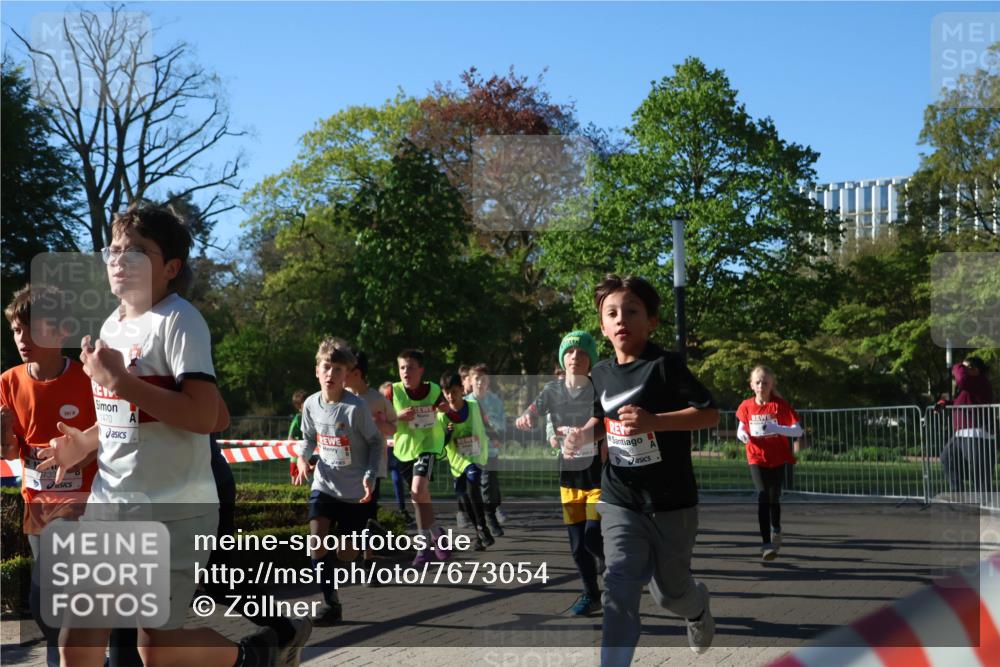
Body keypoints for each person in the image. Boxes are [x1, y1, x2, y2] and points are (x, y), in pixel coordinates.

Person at [38, 205, 277, 666]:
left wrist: (122, 382)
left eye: (138, 252)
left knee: (158, 648)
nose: (121, 259)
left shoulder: (179, 320)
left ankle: (254, 657)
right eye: (115, 249)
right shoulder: (111, 326)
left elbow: (208, 416)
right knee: (77, 641)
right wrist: (85, 443)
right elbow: (125, 417)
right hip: (112, 506)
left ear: (170, 268)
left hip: (175, 514)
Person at [563, 274, 719, 663]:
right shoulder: (598, 373)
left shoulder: (665, 365)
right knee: (618, 585)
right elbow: (602, 420)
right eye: (611, 313)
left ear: (652, 320)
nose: (621, 320)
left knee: (670, 593)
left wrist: (656, 422)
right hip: (620, 498)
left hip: (672, 503)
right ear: (602, 325)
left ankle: (697, 607)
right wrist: (583, 436)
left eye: (631, 312)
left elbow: (710, 414)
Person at [1, 284, 99, 667]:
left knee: (49, 601)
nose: (21, 339)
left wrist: (80, 453)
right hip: (36, 507)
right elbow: (10, 452)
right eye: (15, 330)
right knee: (48, 608)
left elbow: (114, 440)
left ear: (61, 332)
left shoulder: (89, 381)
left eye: (31, 328)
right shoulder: (8, 382)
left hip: (82, 507)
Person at [294, 338, 383, 625]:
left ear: (347, 376)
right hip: (324, 483)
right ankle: (331, 603)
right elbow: (308, 438)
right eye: (327, 367)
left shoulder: (354, 408)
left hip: (354, 490)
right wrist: (301, 459)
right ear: (317, 370)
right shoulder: (310, 404)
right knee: (316, 540)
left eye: (338, 370)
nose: (331, 374)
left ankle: (369, 533)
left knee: (345, 555)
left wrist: (370, 475)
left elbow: (375, 443)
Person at [515, 330, 605, 616]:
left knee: (593, 537)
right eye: (569, 352)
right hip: (569, 480)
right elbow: (535, 409)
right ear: (562, 357)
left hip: (597, 479)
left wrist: (582, 434)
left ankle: (619, 567)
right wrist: (527, 416)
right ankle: (591, 595)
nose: (575, 357)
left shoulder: (596, 387)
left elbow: (599, 417)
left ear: (590, 359)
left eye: (581, 352)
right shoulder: (552, 390)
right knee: (578, 546)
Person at [735, 365, 802, 561]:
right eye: (758, 382)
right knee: (762, 496)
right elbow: (740, 429)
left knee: (774, 498)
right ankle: (766, 544)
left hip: (777, 457)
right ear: (751, 385)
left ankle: (777, 528)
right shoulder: (746, 406)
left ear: (771, 384)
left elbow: (798, 431)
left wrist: (776, 427)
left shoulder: (779, 406)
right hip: (756, 456)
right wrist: (743, 436)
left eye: (765, 382)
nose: (761, 385)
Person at [390, 349, 450, 564]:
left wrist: (445, 409)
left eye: (411, 367)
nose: (406, 372)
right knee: (420, 497)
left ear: (421, 370)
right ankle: (437, 533)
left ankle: (422, 545)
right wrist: (397, 415)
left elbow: (447, 408)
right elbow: (379, 417)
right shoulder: (393, 391)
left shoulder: (433, 389)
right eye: (402, 367)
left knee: (417, 491)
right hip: (404, 450)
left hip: (429, 445)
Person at [344, 349, 397, 572]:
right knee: (349, 515)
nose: (340, 375)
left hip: (372, 467)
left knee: (368, 516)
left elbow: (393, 427)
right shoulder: (340, 397)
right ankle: (349, 556)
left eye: (344, 370)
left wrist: (379, 423)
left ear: (356, 373)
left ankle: (369, 564)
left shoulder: (377, 399)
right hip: (345, 468)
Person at [438, 372, 494, 549]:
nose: (450, 396)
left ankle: (482, 528)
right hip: (457, 461)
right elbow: (441, 443)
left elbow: (483, 425)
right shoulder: (442, 416)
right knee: (463, 498)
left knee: (472, 488)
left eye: (454, 391)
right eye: (446, 392)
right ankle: (480, 533)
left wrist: (493, 435)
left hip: (474, 456)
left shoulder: (473, 407)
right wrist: (447, 433)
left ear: (462, 390)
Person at [939, 356, 995, 496]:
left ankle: (984, 504)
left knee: (980, 472)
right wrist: (945, 404)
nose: (961, 371)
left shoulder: (979, 381)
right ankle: (958, 493)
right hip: (961, 434)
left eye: (965, 368)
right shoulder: (970, 386)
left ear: (975, 370)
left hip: (976, 434)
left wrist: (956, 365)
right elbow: (961, 403)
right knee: (947, 458)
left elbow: (961, 379)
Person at [467, 364, 508, 535]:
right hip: (472, 452)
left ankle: (492, 510)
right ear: (470, 381)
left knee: (492, 486)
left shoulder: (495, 401)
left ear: (488, 381)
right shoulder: (467, 402)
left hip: (491, 450)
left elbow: (502, 423)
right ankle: (488, 518)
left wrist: (496, 431)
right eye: (476, 379)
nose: (480, 383)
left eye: (483, 379)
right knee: (480, 486)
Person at [379, 380, 412, 524]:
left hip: (401, 446)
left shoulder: (401, 404)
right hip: (383, 447)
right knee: (384, 477)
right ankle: (379, 510)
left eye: (391, 394)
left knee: (402, 477)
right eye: (386, 395)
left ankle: (404, 509)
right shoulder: (378, 408)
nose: (389, 397)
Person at [288, 389, 308, 482]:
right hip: (296, 458)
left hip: (310, 456)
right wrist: (302, 443)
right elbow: (290, 438)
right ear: (299, 406)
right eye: (306, 402)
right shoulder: (298, 419)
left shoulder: (312, 417)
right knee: (296, 484)